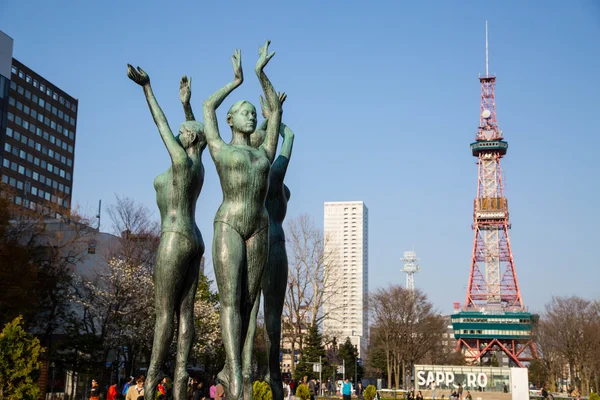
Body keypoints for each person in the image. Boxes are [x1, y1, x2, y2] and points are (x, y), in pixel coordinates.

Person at [202, 42, 283, 400]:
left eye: (254, 112)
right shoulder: (220, 147)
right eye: (244, 112)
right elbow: (207, 107)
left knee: (250, 307)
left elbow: (276, 112)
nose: (252, 116)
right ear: (230, 119)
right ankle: (235, 376)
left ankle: (240, 371)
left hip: (260, 228)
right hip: (229, 225)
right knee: (231, 301)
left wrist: (260, 74)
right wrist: (234, 82)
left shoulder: (264, 152)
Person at [127, 65, 207, 400]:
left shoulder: (179, 163)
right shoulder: (197, 165)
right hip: (195, 238)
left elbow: (162, 126)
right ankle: (178, 388)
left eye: (181, 131)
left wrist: (147, 88)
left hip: (174, 238)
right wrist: (187, 106)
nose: (175, 133)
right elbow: (193, 133)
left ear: (186, 139)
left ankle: (148, 389)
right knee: (185, 315)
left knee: (164, 317)